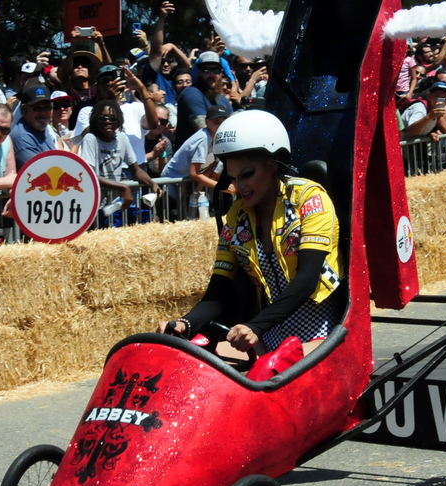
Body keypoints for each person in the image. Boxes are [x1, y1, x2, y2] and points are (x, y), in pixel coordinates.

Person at [158, 110, 344, 356]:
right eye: (233, 177)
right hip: (270, 332)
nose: (240, 186)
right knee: (195, 362)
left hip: (323, 332)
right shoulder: (238, 215)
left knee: (269, 372)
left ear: (272, 164)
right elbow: (218, 291)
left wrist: (256, 325)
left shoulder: (310, 198)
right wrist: (184, 324)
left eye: (247, 175)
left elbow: (306, 279)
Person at [78, 101, 162, 213]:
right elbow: (90, 175)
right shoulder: (90, 139)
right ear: (95, 120)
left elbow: (136, 170)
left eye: (113, 119)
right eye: (103, 118)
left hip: (114, 204)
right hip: (95, 204)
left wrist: (153, 184)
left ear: (119, 122)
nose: (108, 121)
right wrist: (123, 187)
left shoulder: (122, 138)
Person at [160, 104, 229, 213]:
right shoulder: (203, 139)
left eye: (223, 122)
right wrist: (219, 185)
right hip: (171, 185)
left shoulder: (216, 138)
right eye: (216, 122)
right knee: (171, 219)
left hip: (185, 186)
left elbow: (208, 166)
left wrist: (198, 189)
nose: (220, 125)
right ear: (206, 122)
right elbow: (194, 173)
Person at [10, 83, 64, 169]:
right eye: (37, 108)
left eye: (47, 107)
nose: (43, 112)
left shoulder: (42, 128)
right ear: (24, 110)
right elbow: (43, 172)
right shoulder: (23, 138)